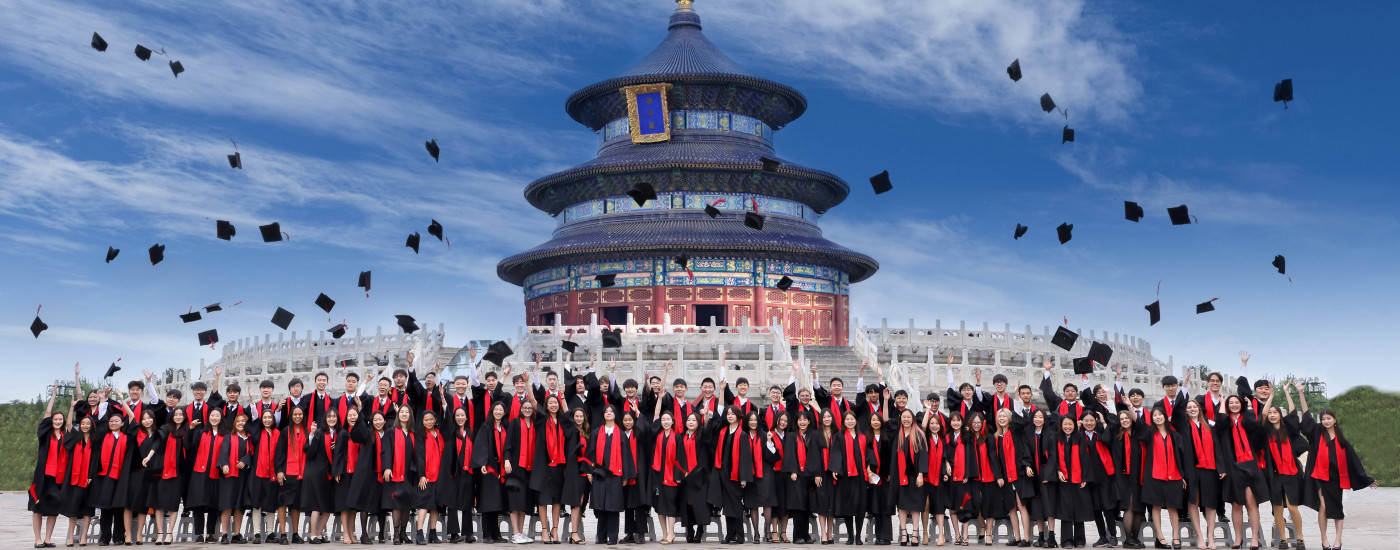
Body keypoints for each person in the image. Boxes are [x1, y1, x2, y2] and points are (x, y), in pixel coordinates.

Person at [1299, 408, 1376, 550]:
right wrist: (1301, 394)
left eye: (1329, 418)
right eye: (1323, 419)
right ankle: (1324, 539)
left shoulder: (1342, 442)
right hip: (1319, 476)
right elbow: (1306, 417)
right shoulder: (1317, 435)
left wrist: (1367, 479)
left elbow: (1354, 462)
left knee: (1337, 509)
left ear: (1335, 420)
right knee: (1323, 506)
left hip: (1335, 480)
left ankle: (1338, 540)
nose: (1326, 421)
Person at [1133, 405, 1186, 549]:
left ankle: (1176, 536)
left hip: (1174, 475)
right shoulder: (1150, 433)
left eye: (1160, 414)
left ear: (1165, 416)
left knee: (1173, 507)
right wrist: (1128, 407)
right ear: (1152, 418)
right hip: (1154, 475)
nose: (1157, 417)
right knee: (1155, 507)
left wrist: (1182, 476)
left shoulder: (1174, 435)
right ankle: (1160, 537)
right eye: (1154, 415)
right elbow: (1138, 422)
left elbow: (1180, 457)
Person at [1218, 395, 1266, 550]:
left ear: (1241, 404)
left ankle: (1254, 538)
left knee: (1251, 502)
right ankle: (1238, 537)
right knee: (1236, 504)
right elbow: (1219, 421)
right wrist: (1221, 404)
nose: (1233, 405)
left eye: (1236, 402)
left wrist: (1250, 407)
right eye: (1230, 403)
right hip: (1233, 466)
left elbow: (1256, 426)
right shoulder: (1225, 423)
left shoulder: (1246, 419)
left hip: (1250, 465)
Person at [1265, 383, 1309, 550]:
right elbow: (1262, 414)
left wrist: (1286, 392)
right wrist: (1270, 397)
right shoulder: (1265, 432)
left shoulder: (1288, 430)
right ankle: (1282, 539)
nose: (1272, 415)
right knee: (1277, 507)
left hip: (1292, 473)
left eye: (1275, 412)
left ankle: (1300, 537)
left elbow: (1292, 412)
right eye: (1270, 413)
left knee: (1291, 506)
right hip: (1275, 475)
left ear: (1279, 415)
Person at [591, 404, 638, 545]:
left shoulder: (621, 434)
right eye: (606, 411)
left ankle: (612, 537)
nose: (609, 413)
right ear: (603, 415)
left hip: (615, 475)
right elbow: (591, 454)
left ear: (615, 414)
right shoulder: (596, 432)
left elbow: (626, 456)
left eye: (611, 411)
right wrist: (589, 472)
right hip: (599, 474)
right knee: (601, 506)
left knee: (613, 507)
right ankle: (601, 536)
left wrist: (625, 476)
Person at [1045, 415, 1092, 549]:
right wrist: (1058, 470)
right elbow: (1053, 456)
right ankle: (1066, 540)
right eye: (1065, 424)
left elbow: (1085, 458)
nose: (1067, 427)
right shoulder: (1056, 437)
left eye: (1070, 424)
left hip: (1078, 478)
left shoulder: (1080, 437)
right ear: (1061, 425)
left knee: (1079, 507)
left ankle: (1080, 539)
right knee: (1066, 508)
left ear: (1075, 425)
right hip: (1063, 478)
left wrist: (1085, 478)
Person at [1182, 399, 1224, 550]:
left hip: (1209, 468)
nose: (1192, 409)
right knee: (1193, 501)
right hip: (1191, 469)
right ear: (1185, 411)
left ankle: (1210, 535)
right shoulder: (1183, 426)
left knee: (1210, 503)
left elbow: (1217, 447)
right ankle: (1199, 535)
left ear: (1199, 409)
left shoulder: (1209, 425)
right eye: (1189, 407)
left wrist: (1221, 468)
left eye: (1195, 407)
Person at [29, 389, 67, 548]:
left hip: (58, 477)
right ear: (51, 421)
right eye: (55, 419)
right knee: (37, 508)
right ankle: (38, 539)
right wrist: (53, 396)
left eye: (60, 419)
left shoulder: (66, 436)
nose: (58, 421)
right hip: (43, 477)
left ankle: (48, 539)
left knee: (53, 509)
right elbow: (47, 412)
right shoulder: (45, 434)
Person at [504, 384, 540, 543]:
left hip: (530, 469)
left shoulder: (535, 425)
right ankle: (515, 533)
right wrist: (507, 460)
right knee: (514, 501)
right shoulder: (515, 423)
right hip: (516, 467)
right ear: (520, 409)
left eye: (529, 408)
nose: (527, 410)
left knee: (525, 502)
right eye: (524, 407)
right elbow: (508, 445)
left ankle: (521, 533)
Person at [714, 405, 755, 544]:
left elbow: (745, 459)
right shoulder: (723, 432)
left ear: (739, 416)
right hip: (724, 474)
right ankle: (729, 535)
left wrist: (743, 479)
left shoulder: (742, 435)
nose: (730, 416)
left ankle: (739, 535)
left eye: (733, 414)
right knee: (727, 506)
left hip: (736, 476)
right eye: (728, 414)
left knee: (736, 505)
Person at [379, 405, 420, 544]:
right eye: (401, 412)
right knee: (396, 503)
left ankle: (403, 533)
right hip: (395, 473)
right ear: (398, 414)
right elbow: (386, 451)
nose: (404, 414)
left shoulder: (413, 433)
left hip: (409, 473)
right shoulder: (391, 431)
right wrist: (387, 467)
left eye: (406, 412)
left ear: (410, 415)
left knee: (406, 504)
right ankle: (396, 534)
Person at [472, 401, 511, 543]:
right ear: (492, 411)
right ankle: (486, 534)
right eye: (496, 410)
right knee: (488, 502)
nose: (498, 412)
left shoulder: (506, 427)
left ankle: (496, 534)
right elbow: (481, 445)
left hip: (502, 468)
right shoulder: (486, 426)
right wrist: (482, 462)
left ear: (504, 412)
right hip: (489, 468)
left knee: (497, 502)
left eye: (501, 410)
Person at [348, 411, 389, 544]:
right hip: (369, 473)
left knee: (381, 504)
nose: (378, 422)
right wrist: (360, 413)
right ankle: (364, 534)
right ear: (371, 422)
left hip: (384, 473)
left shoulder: (389, 434)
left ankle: (382, 534)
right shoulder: (367, 433)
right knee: (365, 504)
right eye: (375, 420)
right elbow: (355, 434)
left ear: (385, 421)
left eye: (380, 419)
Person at [831, 410, 871, 545]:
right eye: (847, 419)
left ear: (856, 421)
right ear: (843, 421)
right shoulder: (839, 436)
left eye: (852, 419)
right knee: (848, 505)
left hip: (860, 476)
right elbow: (836, 453)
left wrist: (869, 471)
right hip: (846, 477)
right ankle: (850, 536)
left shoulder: (862, 437)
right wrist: (835, 469)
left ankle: (858, 536)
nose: (850, 421)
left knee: (860, 506)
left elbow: (868, 457)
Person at [148, 406, 187, 545]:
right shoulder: (165, 429)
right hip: (161, 470)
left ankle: (169, 533)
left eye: (180, 415)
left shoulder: (186, 431)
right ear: (172, 416)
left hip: (178, 472)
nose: (178, 417)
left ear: (184, 417)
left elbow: (188, 447)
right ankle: (160, 534)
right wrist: (149, 456)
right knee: (159, 504)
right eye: (176, 415)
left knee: (173, 504)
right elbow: (157, 443)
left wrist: (192, 430)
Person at [185, 406, 224, 543]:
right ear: (208, 417)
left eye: (217, 416)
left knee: (213, 503)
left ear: (221, 418)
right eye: (212, 415)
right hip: (199, 473)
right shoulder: (200, 432)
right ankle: (199, 533)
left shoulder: (224, 435)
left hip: (216, 473)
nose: (214, 418)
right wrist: (190, 430)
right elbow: (187, 445)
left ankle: (211, 533)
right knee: (198, 503)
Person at [301, 409, 339, 543]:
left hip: (330, 475)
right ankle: (312, 535)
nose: (332, 419)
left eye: (334, 417)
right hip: (317, 474)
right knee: (317, 505)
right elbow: (310, 452)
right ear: (325, 418)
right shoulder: (319, 433)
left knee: (327, 507)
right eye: (329, 417)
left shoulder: (339, 434)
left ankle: (319, 534)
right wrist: (310, 435)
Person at [992, 409, 1028, 547]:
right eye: (999, 416)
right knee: (1011, 507)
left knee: (1021, 505)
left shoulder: (1016, 432)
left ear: (1010, 418)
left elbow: (1023, 422)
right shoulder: (997, 437)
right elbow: (996, 459)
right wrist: (999, 476)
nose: (1002, 418)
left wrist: (1016, 405)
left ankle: (1026, 538)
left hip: (1018, 474)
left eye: (1004, 416)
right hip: (1006, 476)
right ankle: (1017, 537)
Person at [274, 406, 310, 544]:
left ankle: (295, 533)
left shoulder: (307, 432)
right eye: (295, 414)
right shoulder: (285, 432)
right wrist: (279, 471)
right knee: (283, 503)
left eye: (300, 414)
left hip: (302, 474)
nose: (297, 417)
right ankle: (283, 534)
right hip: (287, 473)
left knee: (296, 505)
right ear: (291, 416)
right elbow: (280, 453)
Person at [891, 408, 927, 547]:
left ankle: (915, 533)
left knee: (915, 505)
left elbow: (923, 455)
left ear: (913, 419)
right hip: (900, 475)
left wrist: (920, 474)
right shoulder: (897, 434)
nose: (906, 419)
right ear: (900, 418)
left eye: (908, 417)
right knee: (902, 505)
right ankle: (904, 533)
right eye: (904, 417)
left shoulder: (918, 434)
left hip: (914, 475)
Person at [246, 409, 281, 544]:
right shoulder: (257, 433)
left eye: (269, 417)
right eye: (264, 417)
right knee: (256, 503)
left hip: (273, 473)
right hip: (258, 473)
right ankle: (257, 533)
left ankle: (270, 532)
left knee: (271, 503)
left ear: (273, 419)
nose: (267, 420)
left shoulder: (278, 433)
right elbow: (252, 421)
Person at [1016, 409, 1050, 548]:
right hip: (1033, 475)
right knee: (1037, 506)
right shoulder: (1028, 435)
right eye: (1035, 417)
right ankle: (1041, 536)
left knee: (1047, 505)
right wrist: (1027, 466)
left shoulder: (1050, 434)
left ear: (1045, 419)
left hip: (1047, 475)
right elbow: (1025, 453)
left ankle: (1050, 536)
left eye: (1041, 417)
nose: (1038, 419)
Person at [944, 412, 979, 545]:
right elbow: (944, 455)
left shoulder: (968, 436)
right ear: (950, 422)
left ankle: (965, 535)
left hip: (964, 477)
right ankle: (957, 535)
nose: (955, 423)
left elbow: (971, 457)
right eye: (953, 420)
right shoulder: (947, 437)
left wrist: (967, 474)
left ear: (961, 422)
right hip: (952, 476)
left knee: (965, 506)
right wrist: (946, 463)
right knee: (953, 507)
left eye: (958, 420)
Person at [413, 409, 448, 545]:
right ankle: (419, 532)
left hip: (438, 474)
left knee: (435, 505)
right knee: (424, 504)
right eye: (425, 420)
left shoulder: (439, 434)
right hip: (426, 475)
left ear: (435, 420)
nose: (428, 422)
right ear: (422, 421)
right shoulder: (421, 435)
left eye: (431, 419)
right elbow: (420, 457)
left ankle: (432, 532)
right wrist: (421, 475)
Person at [216, 413, 252, 544]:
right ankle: (225, 533)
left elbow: (251, 454)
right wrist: (224, 464)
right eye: (238, 421)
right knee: (227, 504)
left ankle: (237, 534)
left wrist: (245, 461)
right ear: (234, 423)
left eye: (244, 421)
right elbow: (224, 451)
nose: (241, 423)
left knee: (239, 505)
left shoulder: (249, 439)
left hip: (243, 476)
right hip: (229, 475)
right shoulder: (229, 437)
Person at [60, 415, 96, 547]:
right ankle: (70, 537)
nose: (85, 425)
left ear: (92, 425)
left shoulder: (95, 441)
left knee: (87, 509)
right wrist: (72, 407)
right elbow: (69, 423)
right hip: (74, 479)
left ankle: (84, 537)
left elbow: (95, 460)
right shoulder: (76, 438)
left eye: (88, 423)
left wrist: (91, 475)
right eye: (82, 423)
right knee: (73, 509)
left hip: (88, 480)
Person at [128, 410, 160, 545]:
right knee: (128, 504)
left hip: (150, 473)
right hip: (134, 471)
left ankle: (139, 534)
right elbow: (131, 416)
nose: (147, 420)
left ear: (153, 419)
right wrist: (122, 399)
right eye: (144, 418)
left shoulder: (158, 434)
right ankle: (128, 535)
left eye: (149, 418)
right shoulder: (137, 432)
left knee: (143, 504)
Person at [445, 407, 477, 543]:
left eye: (462, 415)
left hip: (468, 471)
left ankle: (468, 532)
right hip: (454, 472)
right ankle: (453, 534)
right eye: (457, 415)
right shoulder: (451, 432)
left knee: (468, 502)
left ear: (467, 417)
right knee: (452, 502)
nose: (460, 418)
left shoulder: (471, 433)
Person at [865, 404, 894, 546]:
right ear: (870, 422)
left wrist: (888, 473)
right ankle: (878, 536)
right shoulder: (866, 438)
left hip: (886, 478)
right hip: (872, 479)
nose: (875, 422)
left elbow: (890, 458)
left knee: (886, 508)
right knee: (876, 508)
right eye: (873, 420)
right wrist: (869, 471)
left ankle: (887, 537)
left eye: (878, 420)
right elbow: (864, 457)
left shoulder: (887, 437)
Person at [741, 410, 773, 544]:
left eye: (755, 420)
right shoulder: (743, 436)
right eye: (751, 420)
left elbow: (772, 457)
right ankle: (756, 533)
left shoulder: (765, 435)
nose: (753, 422)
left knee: (767, 503)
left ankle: (767, 530)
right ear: (747, 422)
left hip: (765, 473)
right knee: (753, 504)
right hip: (750, 474)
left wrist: (770, 442)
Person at [564, 407, 593, 544]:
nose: (579, 418)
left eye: (581, 416)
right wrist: (563, 398)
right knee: (577, 502)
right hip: (575, 470)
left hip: (585, 471)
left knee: (581, 503)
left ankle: (575, 532)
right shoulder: (572, 431)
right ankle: (574, 533)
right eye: (577, 416)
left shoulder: (587, 433)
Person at [920, 400, 947, 546]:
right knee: (926, 504)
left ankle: (941, 534)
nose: (934, 426)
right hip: (926, 476)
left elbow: (945, 457)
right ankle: (925, 533)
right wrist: (928, 410)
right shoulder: (925, 437)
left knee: (939, 506)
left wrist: (946, 468)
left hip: (939, 477)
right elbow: (923, 426)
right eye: (932, 424)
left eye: (936, 423)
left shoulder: (943, 438)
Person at [813, 408, 838, 544]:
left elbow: (840, 454)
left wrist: (836, 469)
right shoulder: (816, 435)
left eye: (829, 416)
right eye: (824, 417)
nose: (827, 419)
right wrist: (817, 473)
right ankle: (823, 532)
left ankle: (830, 532)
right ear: (821, 419)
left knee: (832, 504)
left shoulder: (837, 434)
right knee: (822, 503)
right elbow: (814, 455)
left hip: (833, 474)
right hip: (821, 473)